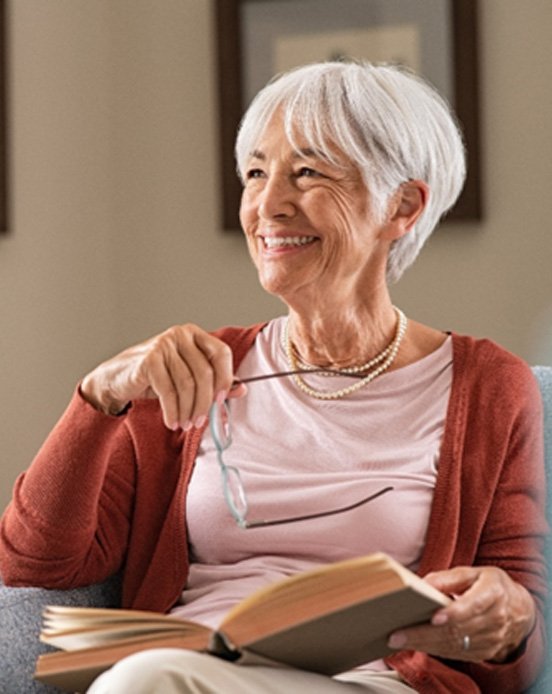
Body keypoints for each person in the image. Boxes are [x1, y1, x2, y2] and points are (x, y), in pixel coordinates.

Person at [0, 61, 547, 693]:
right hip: (196, 669)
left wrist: (509, 616)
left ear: (403, 205)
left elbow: (520, 633)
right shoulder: (197, 371)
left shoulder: (487, 388)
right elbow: (36, 563)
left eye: (308, 172)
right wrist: (99, 398)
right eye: (256, 173)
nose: (268, 205)